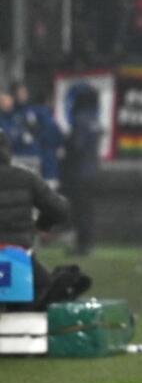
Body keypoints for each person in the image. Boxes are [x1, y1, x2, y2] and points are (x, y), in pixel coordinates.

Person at [0, 130, 90, 310]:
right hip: (17, 258)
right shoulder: (26, 178)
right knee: (45, 291)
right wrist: (42, 224)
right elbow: (60, 209)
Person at [61, 85, 102, 256]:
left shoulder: (80, 120)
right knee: (88, 209)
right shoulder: (95, 121)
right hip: (93, 169)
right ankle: (88, 242)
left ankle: (82, 244)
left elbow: (76, 146)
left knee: (79, 209)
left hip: (79, 171)